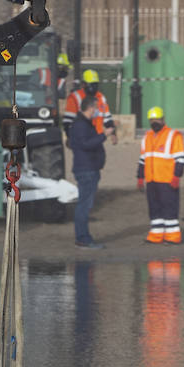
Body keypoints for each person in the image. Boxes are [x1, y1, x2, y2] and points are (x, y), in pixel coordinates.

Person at [137, 106, 184, 244]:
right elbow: (143, 160)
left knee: (169, 207)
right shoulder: (146, 137)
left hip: (167, 179)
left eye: (157, 119)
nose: (155, 122)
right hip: (152, 180)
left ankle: (173, 237)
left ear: (163, 119)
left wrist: (177, 176)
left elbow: (181, 159)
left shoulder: (173, 135)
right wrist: (140, 177)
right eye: (152, 120)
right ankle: (156, 235)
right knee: (154, 208)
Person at [68, 95, 106, 249]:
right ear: (90, 108)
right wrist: (104, 135)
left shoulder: (82, 124)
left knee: (84, 204)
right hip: (87, 169)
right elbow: (86, 144)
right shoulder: (81, 125)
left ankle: (83, 237)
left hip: (88, 168)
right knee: (84, 204)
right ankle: (83, 238)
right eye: (96, 108)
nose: (97, 111)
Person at [63, 69, 116, 144]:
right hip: (81, 137)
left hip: (98, 138)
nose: (93, 87)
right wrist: (69, 137)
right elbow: (68, 121)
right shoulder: (75, 97)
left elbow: (107, 118)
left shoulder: (101, 97)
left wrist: (113, 134)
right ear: (83, 84)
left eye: (95, 85)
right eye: (91, 84)